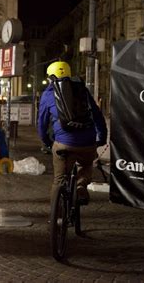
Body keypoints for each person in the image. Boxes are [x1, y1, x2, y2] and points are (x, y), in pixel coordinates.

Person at [37, 61, 107, 204]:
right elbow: (97, 115)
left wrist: (46, 142)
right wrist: (102, 137)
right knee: (86, 165)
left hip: (63, 144)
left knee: (59, 179)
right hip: (88, 142)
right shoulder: (82, 90)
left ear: (51, 77)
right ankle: (81, 186)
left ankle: (57, 218)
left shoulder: (48, 94)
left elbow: (42, 123)